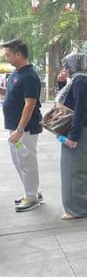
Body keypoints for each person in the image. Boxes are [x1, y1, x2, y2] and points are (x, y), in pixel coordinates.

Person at [58, 53, 87, 220]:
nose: (66, 69)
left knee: (74, 169)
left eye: (67, 65)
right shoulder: (83, 79)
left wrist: (73, 135)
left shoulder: (80, 81)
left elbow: (79, 110)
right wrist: (61, 83)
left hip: (83, 129)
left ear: (74, 65)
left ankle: (80, 208)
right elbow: (71, 102)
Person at [2, 39, 43, 212]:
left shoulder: (30, 76)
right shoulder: (15, 74)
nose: (6, 58)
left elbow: (29, 104)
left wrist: (19, 129)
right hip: (15, 127)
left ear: (19, 54)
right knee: (19, 161)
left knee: (27, 161)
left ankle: (32, 196)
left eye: (8, 54)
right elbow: (12, 95)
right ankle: (31, 191)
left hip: (25, 129)